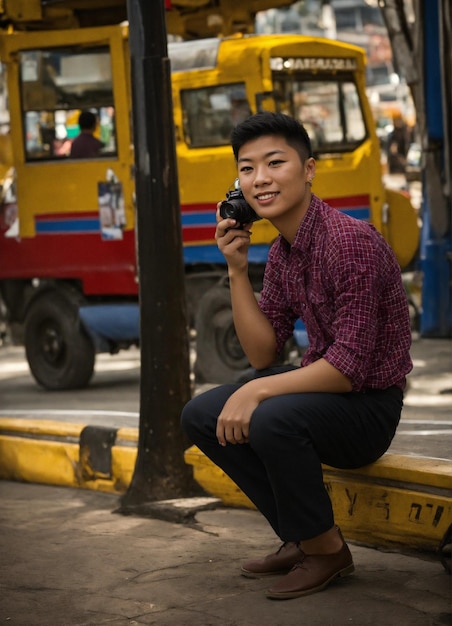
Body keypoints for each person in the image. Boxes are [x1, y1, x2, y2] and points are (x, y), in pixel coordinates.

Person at [181, 112, 412, 600]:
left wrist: (257, 390)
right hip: (325, 393)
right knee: (202, 413)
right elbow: (265, 351)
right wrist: (237, 269)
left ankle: (327, 551)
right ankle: (301, 536)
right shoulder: (286, 251)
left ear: (308, 169)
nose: (260, 179)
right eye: (247, 168)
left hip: (368, 408)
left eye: (274, 162)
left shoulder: (348, 243)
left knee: (268, 417)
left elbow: (348, 369)